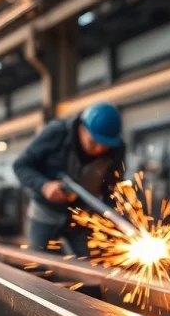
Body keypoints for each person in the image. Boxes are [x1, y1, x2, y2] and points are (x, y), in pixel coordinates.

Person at [13, 102, 125, 256]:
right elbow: (21, 165)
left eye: (105, 146)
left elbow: (112, 190)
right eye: (94, 142)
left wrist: (114, 223)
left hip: (81, 216)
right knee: (38, 261)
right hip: (46, 211)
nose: (99, 149)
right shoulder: (57, 133)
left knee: (90, 264)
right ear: (82, 128)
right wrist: (44, 186)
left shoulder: (116, 149)